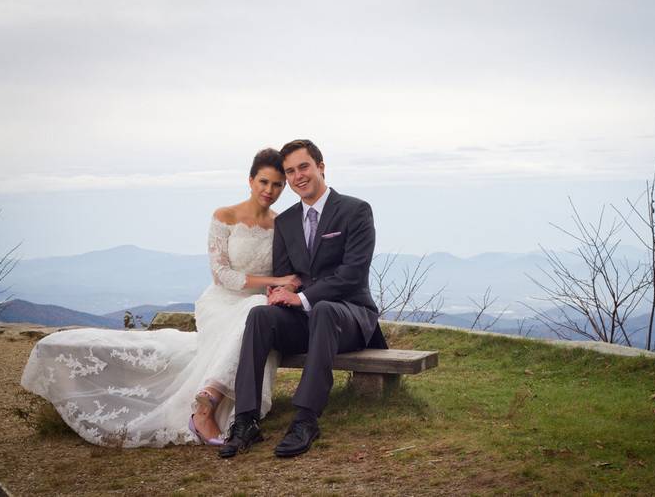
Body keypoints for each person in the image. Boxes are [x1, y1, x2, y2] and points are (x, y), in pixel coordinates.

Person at [20, 148, 299, 447]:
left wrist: (285, 286)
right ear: (250, 180)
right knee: (253, 313)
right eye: (264, 182)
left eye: (277, 185)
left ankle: (208, 399)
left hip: (256, 305)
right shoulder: (225, 216)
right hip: (222, 302)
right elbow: (222, 275)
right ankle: (205, 406)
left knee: (257, 313)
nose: (270, 190)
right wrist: (276, 280)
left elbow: (289, 269)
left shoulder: (281, 224)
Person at [218, 139, 387, 459]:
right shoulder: (286, 221)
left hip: (349, 315)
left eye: (304, 167)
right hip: (307, 320)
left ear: (320, 167)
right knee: (259, 316)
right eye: (290, 171)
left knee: (322, 309)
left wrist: (305, 297)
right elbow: (286, 275)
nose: (298, 176)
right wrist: (281, 293)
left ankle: (306, 419)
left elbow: (352, 275)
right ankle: (246, 420)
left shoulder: (355, 210)